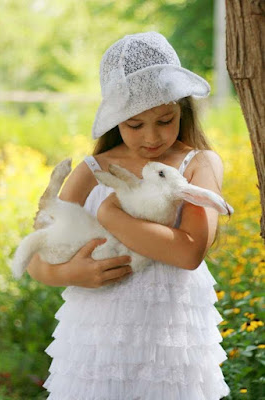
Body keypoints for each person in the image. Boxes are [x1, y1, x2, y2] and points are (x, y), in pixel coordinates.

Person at [27, 32, 231, 399]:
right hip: (96, 344)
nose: (151, 137)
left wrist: (111, 214)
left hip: (171, 344)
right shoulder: (90, 172)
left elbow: (187, 253)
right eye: (134, 124)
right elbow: (38, 260)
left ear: (181, 109)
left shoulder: (197, 164)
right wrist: (70, 273)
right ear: (114, 119)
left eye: (165, 120)